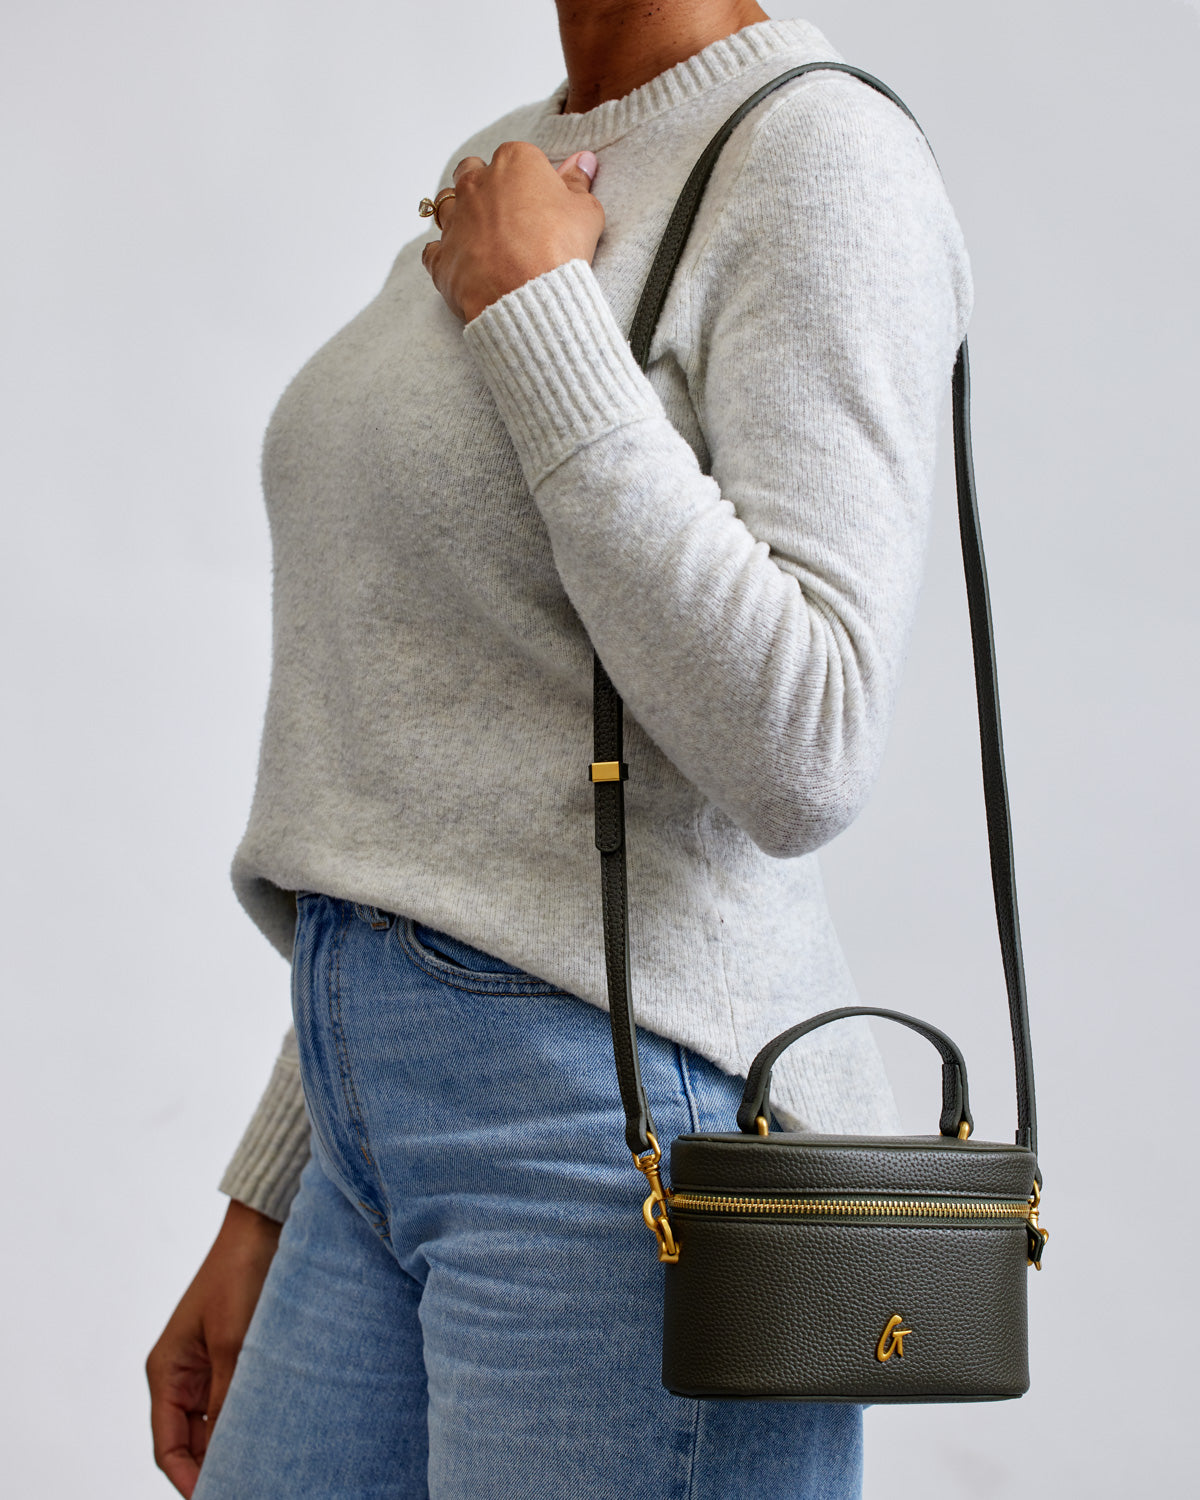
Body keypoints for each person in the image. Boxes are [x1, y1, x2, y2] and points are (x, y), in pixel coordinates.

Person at [146, 2, 972, 1495]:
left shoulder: (819, 155)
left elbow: (810, 740)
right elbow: (445, 756)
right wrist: (273, 1187)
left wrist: (538, 315)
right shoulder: (505, 161)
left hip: (622, 1147)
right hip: (369, 1134)